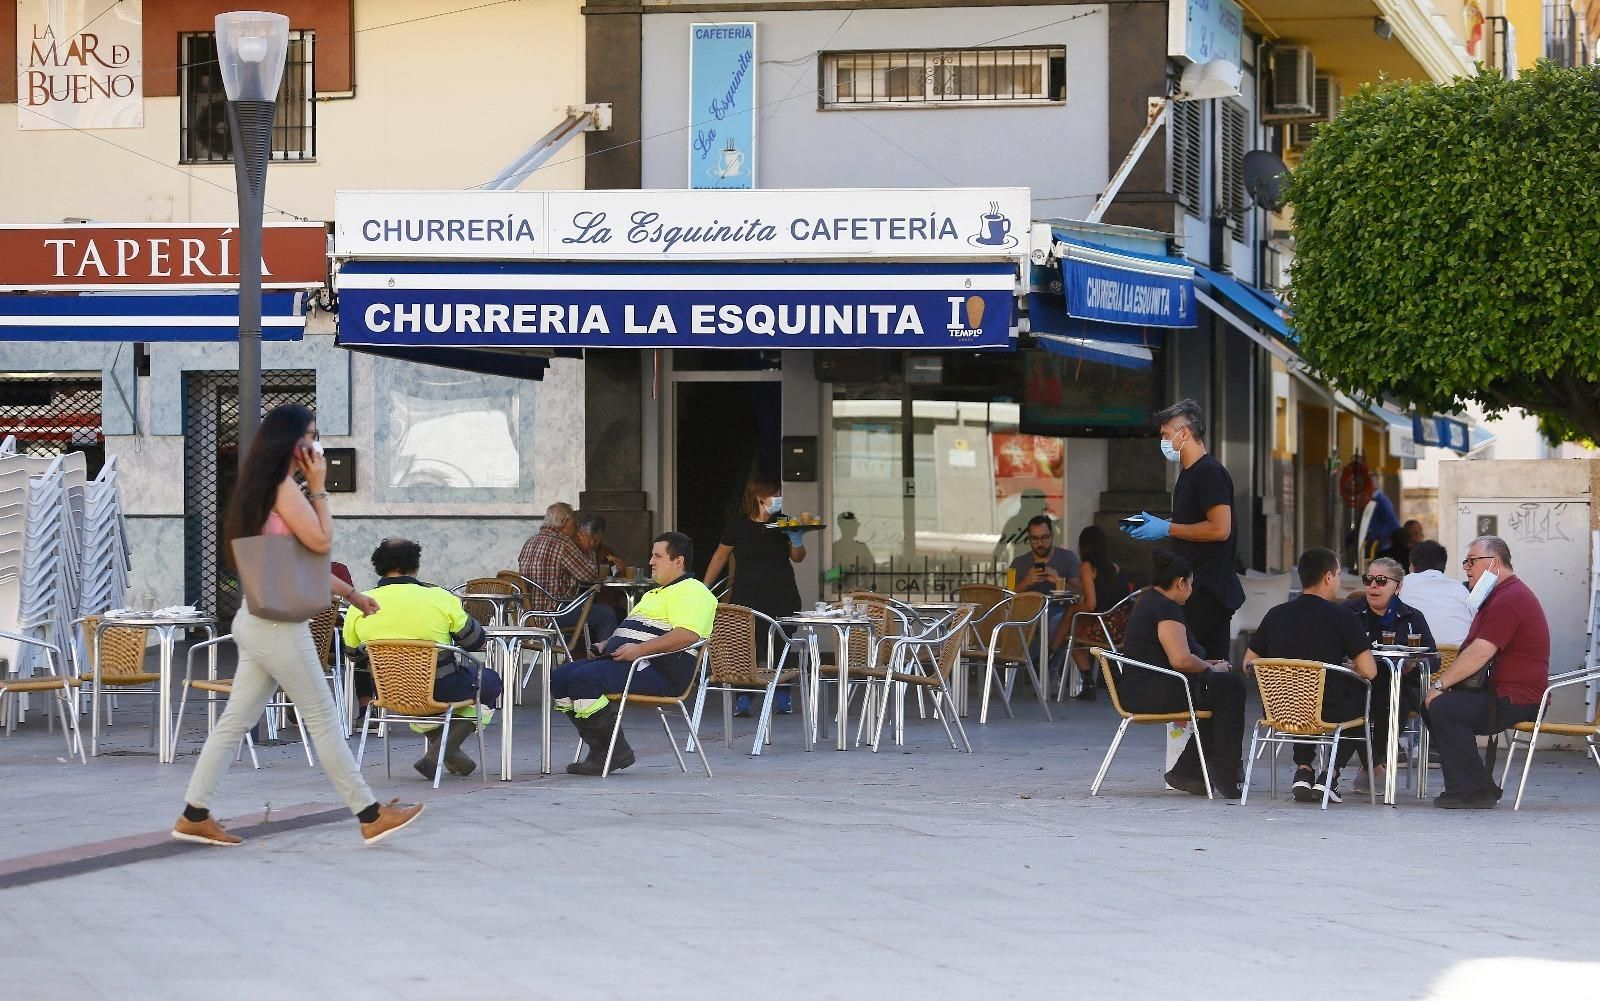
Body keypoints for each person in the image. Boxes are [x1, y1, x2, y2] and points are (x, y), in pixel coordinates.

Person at [171, 404, 422, 847]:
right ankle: (369, 815)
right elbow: (321, 542)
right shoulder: (283, 488)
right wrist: (321, 488)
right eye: (309, 435)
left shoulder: (260, 489)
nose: (315, 444)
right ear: (289, 443)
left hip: (256, 618)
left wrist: (351, 595)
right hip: (278, 627)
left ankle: (195, 814)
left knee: (233, 724)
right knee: (324, 719)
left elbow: (290, 566)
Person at [554, 532, 717, 775]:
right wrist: (605, 644)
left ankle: (612, 751)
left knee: (583, 679)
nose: (650, 561)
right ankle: (601, 750)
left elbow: (687, 635)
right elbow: (635, 630)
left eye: (657, 556)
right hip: (633, 662)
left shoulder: (693, 590)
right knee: (559, 678)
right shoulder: (655, 593)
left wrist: (639, 650)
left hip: (659, 670)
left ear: (679, 561)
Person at [342, 538, 503, 780]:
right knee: (489, 681)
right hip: (441, 689)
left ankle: (448, 754)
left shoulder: (359, 604)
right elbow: (475, 641)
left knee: (433, 697)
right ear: (415, 567)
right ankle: (436, 755)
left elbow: (353, 654)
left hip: (389, 691)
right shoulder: (438, 597)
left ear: (378, 567)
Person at [1421, 536, 1550, 809]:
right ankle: (1474, 784)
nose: (1466, 568)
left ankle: (1472, 791)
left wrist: (1441, 685)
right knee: (1437, 706)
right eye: (1465, 562)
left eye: (1471, 561)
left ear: (1494, 563)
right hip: (1501, 692)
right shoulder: (1501, 595)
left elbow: (1481, 651)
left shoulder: (1509, 599)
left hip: (1518, 698)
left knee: (1444, 707)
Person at [1244, 547, 1379, 805]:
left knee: (1302, 695)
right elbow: (1370, 671)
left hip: (1279, 710)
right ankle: (1331, 774)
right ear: (1328, 577)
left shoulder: (1276, 614)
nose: (1338, 580)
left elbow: (1248, 663)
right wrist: (1347, 667)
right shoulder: (1342, 616)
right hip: (1326, 712)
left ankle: (1304, 769)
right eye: (1338, 574)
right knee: (1360, 698)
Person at [1116, 550, 1247, 798]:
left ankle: (1192, 769)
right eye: (1191, 584)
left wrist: (1206, 663)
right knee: (1230, 686)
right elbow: (1180, 659)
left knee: (1220, 690)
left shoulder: (1150, 601)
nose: (1191, 589)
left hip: (1144, 688)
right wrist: (1210, 668)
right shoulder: (1166, 609)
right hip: (1151, 692)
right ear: (1180, 583)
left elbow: (1171, 655)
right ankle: (1226, 771)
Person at [1122, 399, 1244, 660]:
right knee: (1205, 666)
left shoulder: (1209, 473)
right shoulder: (1189, 474)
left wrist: (1167, 528)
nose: (1164, 442)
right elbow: (1192, 522)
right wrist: (1160, 524)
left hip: (1206, 589)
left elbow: (1220, 529)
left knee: (1189, 661)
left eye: (1166, 435)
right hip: (1196, 586)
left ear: (1185, 433)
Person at [703, 476, 805, 717]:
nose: (779, 499)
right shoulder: (737, 527)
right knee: (745, 645)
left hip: (781, 592)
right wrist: (704, 588)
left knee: (781, 643)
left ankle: (782, 692)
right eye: (775, 495)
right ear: (760, 498)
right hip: (747, 594)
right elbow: (720, 557)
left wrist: (796, 538)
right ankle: (744, 697)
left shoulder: (785, 523)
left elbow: (798, 557)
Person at [1339, 556, 1437, 794]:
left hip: (1399, 684)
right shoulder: (1348, 612)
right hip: (1357, 682)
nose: (1373, 586)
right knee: (1355, 701)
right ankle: (1373, 766)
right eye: (1369, 579)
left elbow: (1434, 659)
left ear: (1398, 586)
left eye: (1381, 581)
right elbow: (1330, 649)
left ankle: (1364, 765)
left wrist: (1414, 663)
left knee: (1395, 699)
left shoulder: (1412, 617)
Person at [518, 501, 618, 644]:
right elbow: (591, 575)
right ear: (565, 521)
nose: (576, 530)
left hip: (529, 614)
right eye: (575, 524)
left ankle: (572, 659)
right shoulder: (563, 543)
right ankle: (604, 662)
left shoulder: (530, 542)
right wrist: (587, 549)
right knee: (606, 613)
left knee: (576, 606)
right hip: (553, 614)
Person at [1056, 525, 1126, 700]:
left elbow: (1090, 604)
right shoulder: (1114, 567)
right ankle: (1051, 655)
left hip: (1104, 628)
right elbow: (1099, 590)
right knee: (1074, 621)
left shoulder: (1087, 566)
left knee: (1073, 631)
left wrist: (1073, 608)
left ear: (1084, 546)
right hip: (1121, 628)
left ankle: (1084, 679)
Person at [1400, 540, 1474, 647]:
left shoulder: (1402, 584)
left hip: (1417, 658)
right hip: (1457, 657)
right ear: (1444, 567)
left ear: (1412, 566)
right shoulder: (1460, 588)